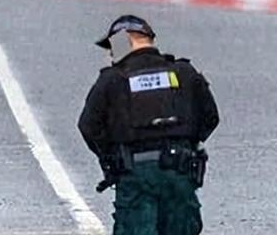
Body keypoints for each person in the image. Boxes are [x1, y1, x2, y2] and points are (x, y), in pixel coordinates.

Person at [78, 15, 219, 235]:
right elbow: (210, 117)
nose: (110, 54)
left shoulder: (112, 80)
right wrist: (186, 143)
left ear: (124, 42)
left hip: (135, 175)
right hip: (179, 172)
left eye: (112, 47)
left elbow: (88, 125)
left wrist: (112, 156)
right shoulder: (184, 73)